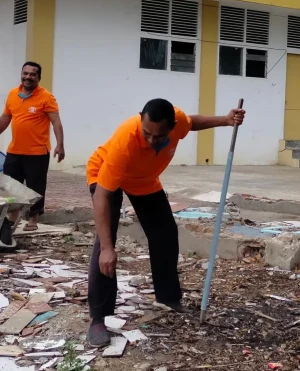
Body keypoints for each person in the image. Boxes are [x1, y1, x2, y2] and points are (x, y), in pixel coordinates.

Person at [85, 98, 245, 347]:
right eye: (146, 133)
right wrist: (107, 248)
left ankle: (168, 296)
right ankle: (98, 318)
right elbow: (102, 196)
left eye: (159, 136)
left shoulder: (178, 120)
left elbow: (192, 123)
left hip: (144, 180)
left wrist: (225, 120)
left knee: (165, 234)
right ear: (140, 118)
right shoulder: (124, 143)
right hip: (105, 175)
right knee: (105, 246)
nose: (151, 140)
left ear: (172, 126)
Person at [0, 61, 65, 232]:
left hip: (37, 152)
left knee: (35, 188)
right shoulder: (12, 94)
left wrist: (60, 145)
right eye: (25, 73)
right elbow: (5, 118)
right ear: (21, 74)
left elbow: (56, 122)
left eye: (32, 74)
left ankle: (33, 219)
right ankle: (12, 217)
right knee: (10, 185)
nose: (28, 77)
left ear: (39, 77)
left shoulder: (46, 97)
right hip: (14, 150)